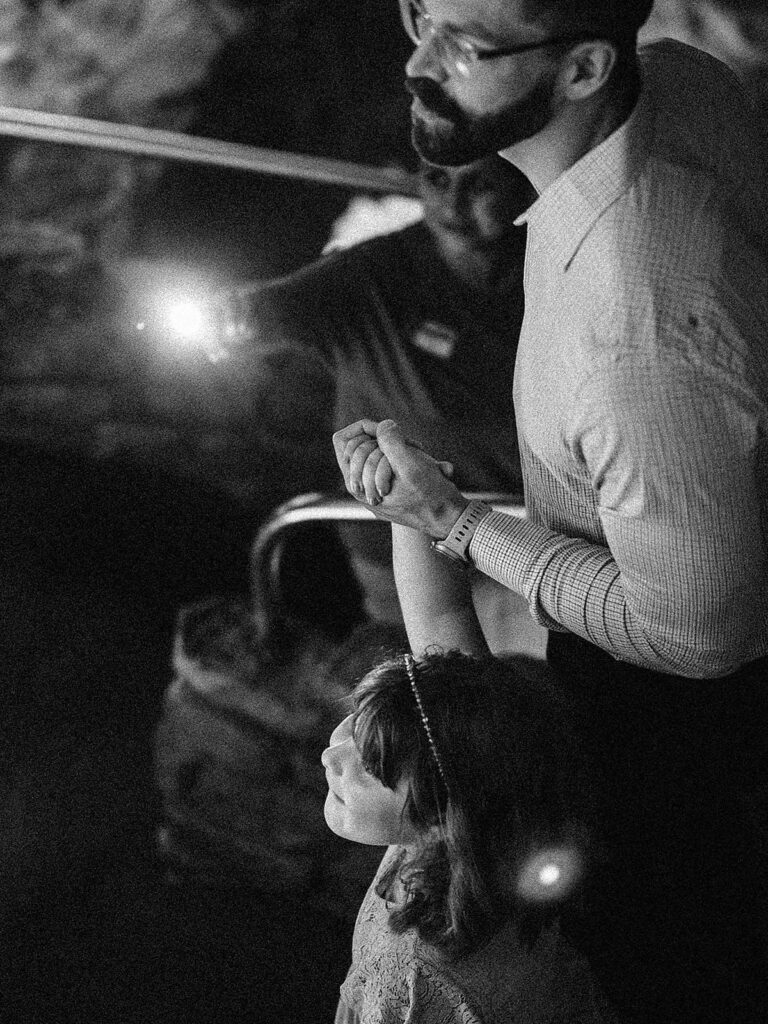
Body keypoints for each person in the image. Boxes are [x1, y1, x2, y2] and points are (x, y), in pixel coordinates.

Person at [334, 3, 768, 1021]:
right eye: (420, 15)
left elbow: (701, 636)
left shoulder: (641, 332)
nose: (418, 62)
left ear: (580, 68)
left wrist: (452, 520)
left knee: (649, 944)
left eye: (466, 46)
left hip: (661, 717)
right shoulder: (679, 80)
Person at [222, 152, 541, 652]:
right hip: (403, 539)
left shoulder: (553, 265)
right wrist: (234, 317)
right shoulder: (369, 275)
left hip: (522, 527)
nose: (454, 201)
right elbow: (274, 309)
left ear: (524, 186)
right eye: (437, 179)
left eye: (480, 184)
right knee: (425, 675)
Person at [322, 649, 616, 1023]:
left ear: (444, 819)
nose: (330, 756)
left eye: (367, 767)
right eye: (352, 724)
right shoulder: (469, 834)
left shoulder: (411, 971)